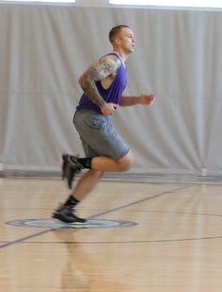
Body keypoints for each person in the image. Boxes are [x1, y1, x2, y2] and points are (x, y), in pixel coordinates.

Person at [53, 25, 155, 224]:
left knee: (98, 168)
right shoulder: (112, 61)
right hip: (92, 118)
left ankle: (66, 210)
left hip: (90, 118)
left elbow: (114, 100)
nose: (134, 39)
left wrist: (138, 100)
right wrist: (101, 104)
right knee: (126, 162)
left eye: (134, 36)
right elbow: (84, 79)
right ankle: (74, 163)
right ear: (117, 41)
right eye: (129, 36)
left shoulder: (120, 67)